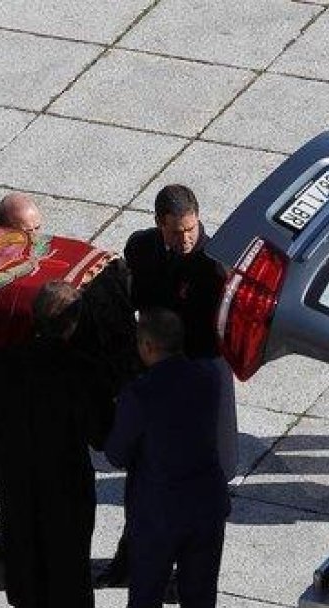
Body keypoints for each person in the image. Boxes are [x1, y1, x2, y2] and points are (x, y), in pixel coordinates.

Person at [99, 185, 237, 587]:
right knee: (143, 474)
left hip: (196, 379)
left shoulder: (215, 264)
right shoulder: (141, 248)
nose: (186, 238)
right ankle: (130, 556)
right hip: (153, 375)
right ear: (160, 224)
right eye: (177, 231)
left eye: (191, 229)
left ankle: (178, 569)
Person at [0, 281, 115, 608]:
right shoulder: (82, 370)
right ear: (73, 324)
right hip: (65, 482)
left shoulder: (2, 362)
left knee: (25, 555)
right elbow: (100, 434)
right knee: (63, 558)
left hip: (18, 479)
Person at [104, 309, 230, 608]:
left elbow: (116, 454)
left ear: (147, 345)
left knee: (146, 600)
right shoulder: (208, 379)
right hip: (205, 506)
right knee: (199, 600)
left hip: (157, 513)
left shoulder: (139, 394)